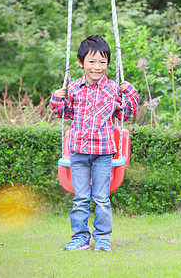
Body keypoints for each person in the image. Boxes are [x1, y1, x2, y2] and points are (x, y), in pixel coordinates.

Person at [50, 35, 139, 251]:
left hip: (103, 153)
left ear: (108, 64)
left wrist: (131, 92)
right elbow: (64, 114)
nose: (97, 67)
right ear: (81, 63)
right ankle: (80, 238)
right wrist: (56, 98)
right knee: (80, 199)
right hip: (78, 152)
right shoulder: (73, 88)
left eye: (102, 62)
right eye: (92, 62)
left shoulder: (113, 89)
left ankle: (102, 239)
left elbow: (127, 113)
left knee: (101, 199)